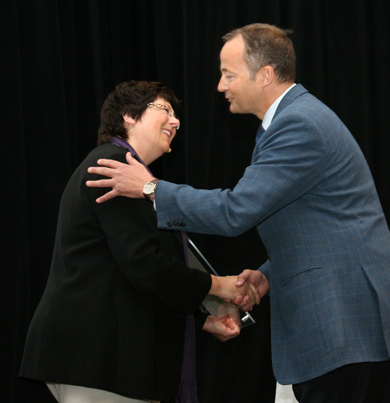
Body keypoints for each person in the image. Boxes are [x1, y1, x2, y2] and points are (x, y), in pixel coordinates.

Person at [86, 24, 390, 403]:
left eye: (228, 74)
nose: (219, 85)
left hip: (348, 324)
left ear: (265, 74)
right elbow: (316, 225)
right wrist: (266, 276)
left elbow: (235, 211)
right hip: (358, 324)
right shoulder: (292, 121)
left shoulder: (298, 124)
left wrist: (150, 188)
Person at [20, 80, 260, 403]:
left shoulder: (130, 173)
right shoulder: (114, 166)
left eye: (177, 115)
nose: (176, 122)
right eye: (165, 110)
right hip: (98, 354)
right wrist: (221, 286)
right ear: (129, 116)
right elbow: (144, 264)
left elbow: (127, 271)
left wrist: (205, 321)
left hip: (104, 357)